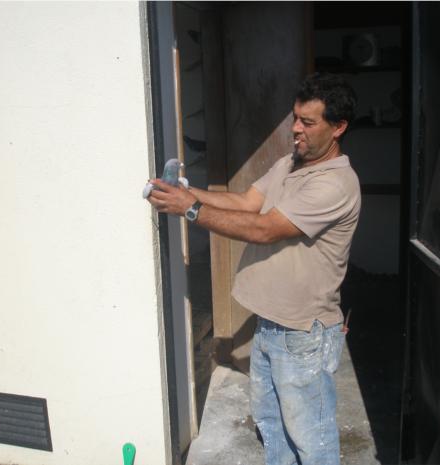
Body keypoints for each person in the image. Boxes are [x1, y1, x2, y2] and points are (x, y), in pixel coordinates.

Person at [147, 72, 360, 465]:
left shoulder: (335, 183)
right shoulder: (289, 163)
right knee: (272, 425)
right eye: (295, 118)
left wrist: (190, 210)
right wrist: (184, 192)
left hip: (302, 331)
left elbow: (265, 229)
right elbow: (247, 202)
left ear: (338, 127)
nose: (296, 129)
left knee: (311, 438)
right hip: (271, 323)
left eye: (308, 122)